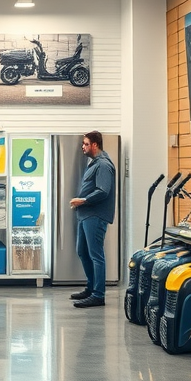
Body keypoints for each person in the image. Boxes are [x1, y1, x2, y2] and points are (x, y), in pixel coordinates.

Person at [69, 131, 116, 308]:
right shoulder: (94, 163)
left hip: (95, 215)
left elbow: (103, 191)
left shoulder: (103, 165)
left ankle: (98, 295)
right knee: (82, 251)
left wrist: (83, 200)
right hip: (85, 215)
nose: (83, 146)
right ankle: (91, 288)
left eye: (86, 144)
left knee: (96, 255)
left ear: (95, 145)